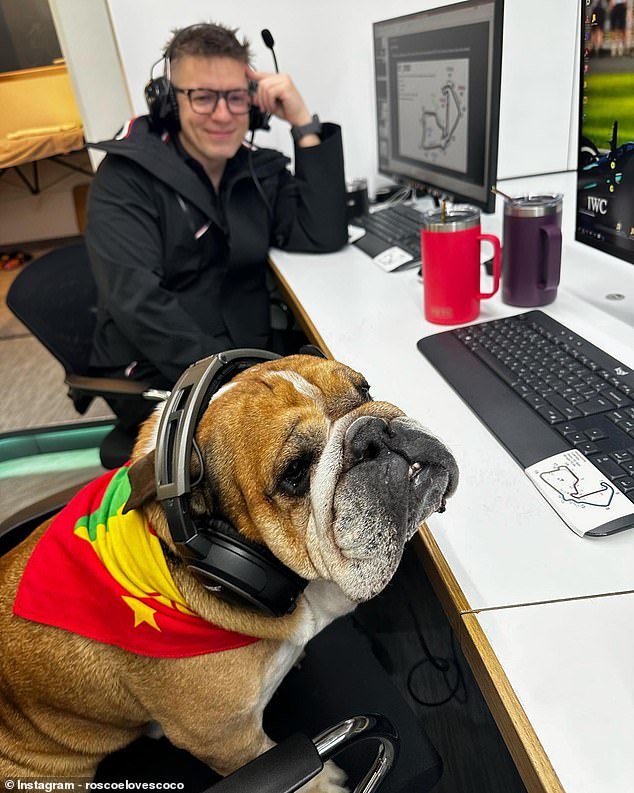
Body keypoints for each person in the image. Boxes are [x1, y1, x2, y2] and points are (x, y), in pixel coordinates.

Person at [85, 21, 347, 447]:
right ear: (170, 102)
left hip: (249, 360)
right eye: (204, 97)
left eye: (236, 97)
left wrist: (302, 121)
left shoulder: (252, 170)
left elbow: (321, 232)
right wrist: (238, 384)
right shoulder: (125, 177)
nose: (223, 114)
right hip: (167, 372)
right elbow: (138, 302)